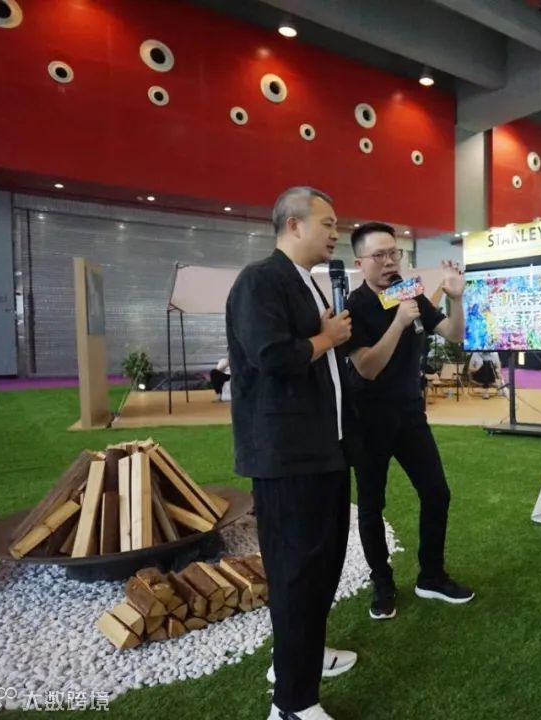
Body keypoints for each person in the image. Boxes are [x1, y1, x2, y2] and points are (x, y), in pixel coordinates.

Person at [225, 187, 358, 720]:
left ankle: (301, 658)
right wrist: (327, 338)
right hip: (288, 458)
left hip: (323, 451)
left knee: (321, 567)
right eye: (327, 223)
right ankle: (293, 704)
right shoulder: (260, 280)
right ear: (293, 225)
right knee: (297, 573)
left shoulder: (304, 281)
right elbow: (272, 355)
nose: (335, 234)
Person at [343, 222, 474, 621]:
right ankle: (382, 583)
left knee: (437, 493)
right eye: (379, 255)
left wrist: (456, 299)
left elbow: (453, 334)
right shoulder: (353, 305)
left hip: (410, 413)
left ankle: (431, 576)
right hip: (368, 418)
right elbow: (366, 368)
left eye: (394, 253)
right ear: (360, 262)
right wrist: (399, 323)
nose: (389, 262)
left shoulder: (409, 292)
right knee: (371, 503)